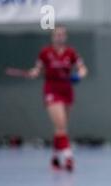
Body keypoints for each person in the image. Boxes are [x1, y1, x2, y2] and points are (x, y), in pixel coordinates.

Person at [27, 26, 88, 172]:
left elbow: (83, 68)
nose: (59, 37)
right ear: (52, 36)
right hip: (51, 90)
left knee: (60, 128)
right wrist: (33, 73)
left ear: (65, 36)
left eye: (62, 34)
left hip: (66, 90)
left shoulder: (71, 53)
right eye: (56, 34)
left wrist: (79, 75)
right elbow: (38, 69)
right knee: (61, 125)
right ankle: (68, 157)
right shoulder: (45, 53)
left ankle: (55, 158)